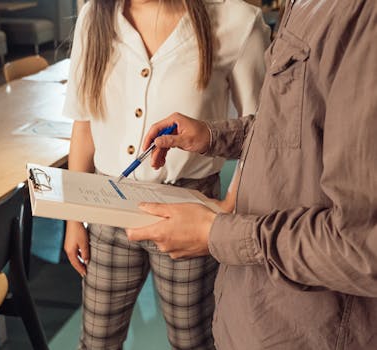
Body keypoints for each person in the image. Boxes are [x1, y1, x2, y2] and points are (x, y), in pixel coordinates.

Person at [127, 0, 377, 349]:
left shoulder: (361, 17)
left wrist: (215, 232)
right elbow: (300, 127)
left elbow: (361, 248)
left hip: (304, 329)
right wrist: (215, 136)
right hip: (252, 315)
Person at [62, 0, 270, 349]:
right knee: (96, 341)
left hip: (189, 209)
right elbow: (84, 127)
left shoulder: (238, 21)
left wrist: (229, 206)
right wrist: (73, 220)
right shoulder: (94, 17)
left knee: (193, 340)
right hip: (107, 206)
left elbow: (263, 133)